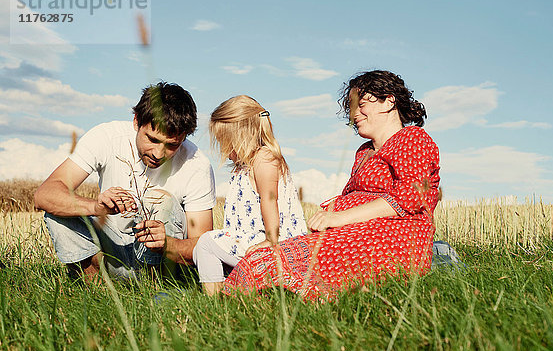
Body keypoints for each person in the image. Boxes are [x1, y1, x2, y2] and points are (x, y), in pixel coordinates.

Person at [222, 70, 440, 300]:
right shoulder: (364, 152)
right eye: (351, 108)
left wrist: (339, 218)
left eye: (361, 104)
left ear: (389, 101)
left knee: (270, 266)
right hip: (356, 232)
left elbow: (410, 197)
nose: (354, 114)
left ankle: (292, 302)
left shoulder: (412, 138)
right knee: (261, 259)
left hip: (395, 239)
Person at [34, 82, 216, 280]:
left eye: (172, 145)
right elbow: (44, 195)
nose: (158, 154)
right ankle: (97, 290)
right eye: (152, 140)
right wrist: (97, 207)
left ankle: (157, 287)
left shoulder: (197, 164)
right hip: (114, 252)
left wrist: (167, 244)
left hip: (165, 262)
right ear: (136, 121)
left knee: (161, 200)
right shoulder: (106, 137)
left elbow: (202, 247)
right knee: (58, 211)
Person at [192, 95, 307, 295]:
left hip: (274, 244)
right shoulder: (246, 166)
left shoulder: (264, 159)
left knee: (206, 243)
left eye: (225, 142)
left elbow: (269, 199)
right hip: (254, 239)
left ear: (241, 135)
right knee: (205, 249)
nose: (224, 151)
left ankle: (212, 301)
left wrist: (271, 240)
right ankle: (229, 291)